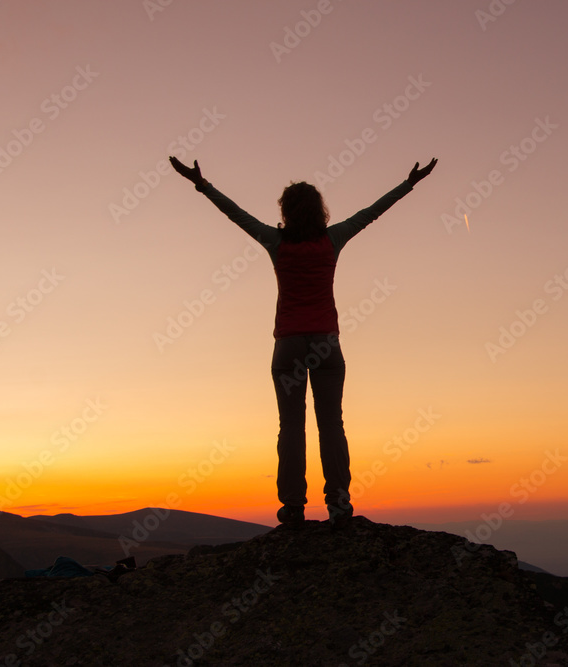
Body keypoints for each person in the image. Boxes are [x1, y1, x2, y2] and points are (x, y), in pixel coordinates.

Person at [170, 155, 437, 526]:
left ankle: (293, 506)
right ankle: (339, 505)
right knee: (332, 425)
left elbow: (235, 213)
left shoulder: (275, 241)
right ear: (319, 211)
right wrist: (409, 184)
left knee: (291, 426)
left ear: (287, 212)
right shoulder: (332, 239)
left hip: (289, 346)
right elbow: (372, 212)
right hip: (328, 344)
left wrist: (201, 184)